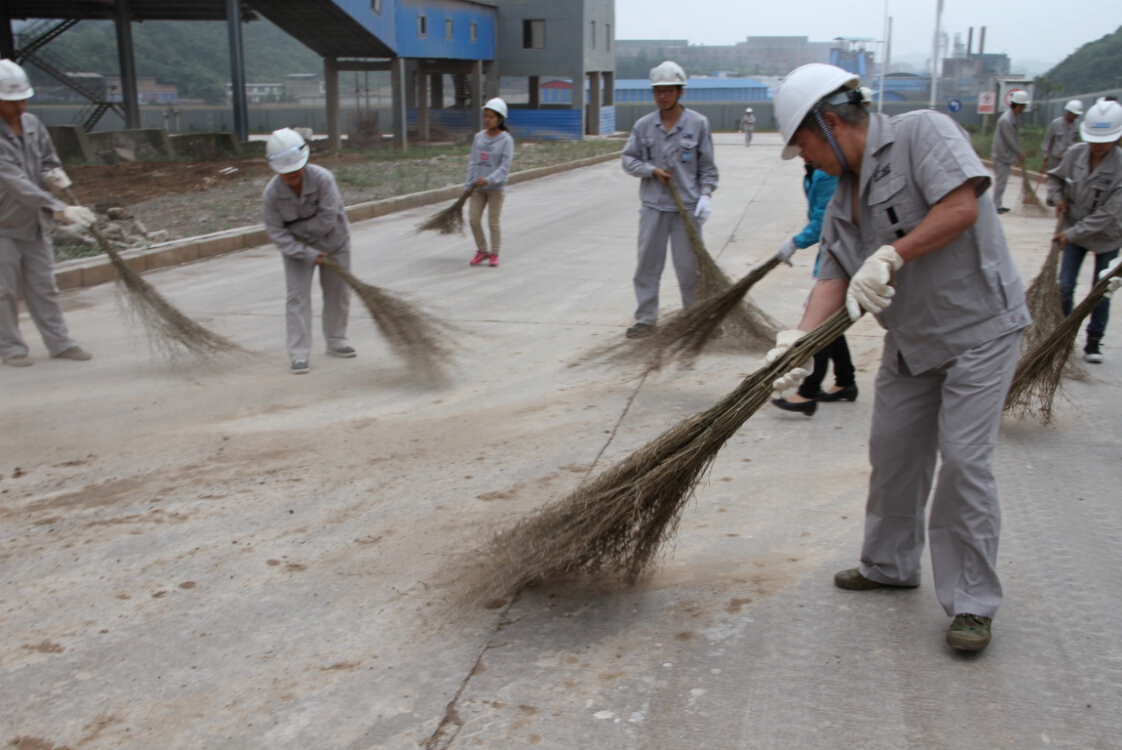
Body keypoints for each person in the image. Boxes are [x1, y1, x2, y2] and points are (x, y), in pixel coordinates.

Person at [769, 63, 1030, 652]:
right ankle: (889, 564)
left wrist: (893, 254)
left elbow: (960, 207)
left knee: (963, 462)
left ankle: (972, 602)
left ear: (830, 123)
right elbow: (832, 277)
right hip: (912, 341)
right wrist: (796, 344)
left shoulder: (921, 133)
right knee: (892, 452)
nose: (806, 158)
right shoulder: (841, 198)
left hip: (978, 330)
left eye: (804, 145)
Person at [0, 59, 96, 367]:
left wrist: (53, 175)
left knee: (44, 286)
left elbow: (46, 161)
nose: (19, 107)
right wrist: (59, 209)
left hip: (34, 223)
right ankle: (10, 348)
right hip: (3, 225)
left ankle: (60, 343)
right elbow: (15, 183)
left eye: (23, 99)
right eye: (12, 101)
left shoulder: (32, 125)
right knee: (3, 290)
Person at [621, 61, 719, 339]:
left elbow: (708, 167)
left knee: (689, 269)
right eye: (657, 91)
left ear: (680, 92)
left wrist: (705, 195)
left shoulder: (698, 124)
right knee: (647, 266)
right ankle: (646, 319)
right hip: (653, 207)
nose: (662, 96)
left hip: (685, 209)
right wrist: (651, 171)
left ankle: (695, 318)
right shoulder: (644, 126)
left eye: (667, 91)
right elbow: (628, 160)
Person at [261, 128, 354, 375]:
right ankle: (299, 354)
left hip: (335, 243)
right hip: (297, 251)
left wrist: (297, 230)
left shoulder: (324, 179)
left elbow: (327, 218)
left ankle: (336, 340)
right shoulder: (271, 195)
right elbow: (277, 233)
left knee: (338, 292)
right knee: (297, 298)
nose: (292, 176)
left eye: (296, 170)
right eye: (286, 173)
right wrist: (306, 252)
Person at [771, 164, 853, 416]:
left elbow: (823, 221)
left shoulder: (827, 173)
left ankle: (808, 391)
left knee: (819, 323)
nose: (801, 154)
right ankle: (845, 381)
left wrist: (797, 241)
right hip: (832, 254)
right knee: (829, 320)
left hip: (840, 257)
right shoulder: (814, 171)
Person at [1046, 97, 1122, 363]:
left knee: (1101, 291)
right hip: (1074, 230)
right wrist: (1058, 198)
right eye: (1093, 140)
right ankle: (1063, 337)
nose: (1097, 145)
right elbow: (1055, 178)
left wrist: (1070, 234)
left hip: (1107, 236)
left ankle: (1093, 342)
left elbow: (1108, 214)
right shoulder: (1075, 154)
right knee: (1065, 286)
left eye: (1104, 141)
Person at [466, 98, 514, 268]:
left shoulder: (506, 140)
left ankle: (494, 253)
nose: (487, 120)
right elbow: (473, 162)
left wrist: (489, 180)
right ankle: (482, 250)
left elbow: (504, 168)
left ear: (500, 119)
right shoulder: (479, 137)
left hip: (495, 188)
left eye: (492, 117)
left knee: (493, 222)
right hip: (478, 188)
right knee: (473, 219)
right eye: (486, 116)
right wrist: (469, 185)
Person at [991, 90, 1029, 214]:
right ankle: (995, 205)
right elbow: (1011, 139)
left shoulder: (1012, 117)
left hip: (1006, 155)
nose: (1024, 108)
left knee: (1003, 181)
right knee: (1001, 182)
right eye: (1023, 105)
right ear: (1019, 105)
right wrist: (1019, 152)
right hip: (1002, 155)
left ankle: (999, 203)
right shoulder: (1006, 120)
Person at [1041, 99, 1083, 173]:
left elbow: (1076, 141)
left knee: (1066, 178)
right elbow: (1048, 140)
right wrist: (1046, 154)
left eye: (1077, 115)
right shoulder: (1056, 123)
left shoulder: (1077, 125)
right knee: (1054, 177)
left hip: (1070, 159)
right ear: (1069, 112)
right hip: (1056, 159)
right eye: (1075, 114)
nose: (1077, 117)